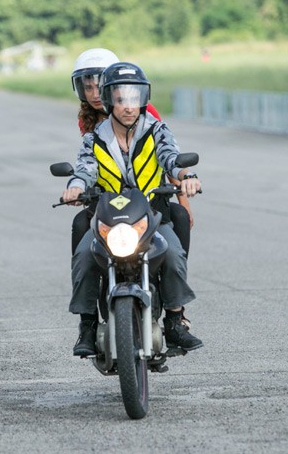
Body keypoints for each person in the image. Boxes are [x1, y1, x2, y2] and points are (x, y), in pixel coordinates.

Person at [62, 62, 203, 357]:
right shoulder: (94, 138)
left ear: (144, 98)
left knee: (174, 253)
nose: (129, 106)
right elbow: (85, 169)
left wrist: (187, 178)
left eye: (135, 97)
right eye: (121, 98)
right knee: (85, 256)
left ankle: (176, 322)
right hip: (107, 219)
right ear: (109, 98)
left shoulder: (157, 130)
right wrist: (75, 187)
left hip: (151, 215)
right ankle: (87, 325)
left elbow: (172, 158)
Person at [69, 48, 193, 257]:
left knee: (180, 216)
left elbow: (164, 152)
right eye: (87, 87)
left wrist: (184, 198)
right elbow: (91, 161)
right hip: (109, 197)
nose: (95, 94)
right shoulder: (87, 119)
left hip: (145, 196)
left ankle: (176, 283)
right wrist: (77, 187)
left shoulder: (141, 112)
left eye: (100, 86)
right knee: (81, 223)